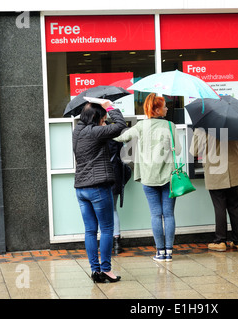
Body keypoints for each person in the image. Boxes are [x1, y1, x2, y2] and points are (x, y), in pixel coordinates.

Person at [114, 93, 181, 262]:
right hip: (169, 178)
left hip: (148, 178)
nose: (166, 108)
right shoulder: (170, 126)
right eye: (164, 106)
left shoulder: (141, 126)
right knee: (169, 215)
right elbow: (178, 151)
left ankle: (159, 252)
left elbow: (120, 137)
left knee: (155, 215)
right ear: (157, 109)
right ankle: (169, 252)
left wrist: (104, 128)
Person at [72, 100, 127, 283]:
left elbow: (86, 121)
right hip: (98, 187)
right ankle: (106, 270)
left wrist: (92, 106)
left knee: (89, 231)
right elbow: (120, 125)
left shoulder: (77, 131)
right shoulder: (95, 132)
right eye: (103, 117)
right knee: (106, 229)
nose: (105, 119)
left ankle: (95, 271)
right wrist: (109, 105)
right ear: (97, 118)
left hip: (81, 189)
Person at [189, 128, 238, 252]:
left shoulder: (202, 128)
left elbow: (194, 151)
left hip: (216, 173)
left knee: (219, 207)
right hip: (235, 171)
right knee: (235, 207)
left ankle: (220, 241)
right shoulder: (234, 123)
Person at [108, 138, 132, 254]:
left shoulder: (94, 133)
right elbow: (124, 156)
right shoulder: (115, 136)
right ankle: (117, 243)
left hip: (99, 178)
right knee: (113, 210)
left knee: (101, 211)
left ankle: (106, 242)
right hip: (114, 177)